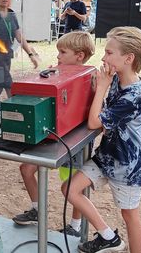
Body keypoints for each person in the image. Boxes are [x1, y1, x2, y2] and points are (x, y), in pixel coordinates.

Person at [62, 26, 141, 253]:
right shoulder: (117, 80)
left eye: (110, 53)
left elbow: (94, 123)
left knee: (129, 215)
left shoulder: (134, 95)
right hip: (107, 156)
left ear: (129, 58)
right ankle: (108, 237)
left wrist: (101, 86)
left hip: (127, 166)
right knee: (69, 189)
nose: (103, 57)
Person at [13, 31, 95, 236]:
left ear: (80, 56)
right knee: (26, 168)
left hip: (75, 140)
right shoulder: (56, 71)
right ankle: (37, 210)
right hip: (51, 135)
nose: (58, 56)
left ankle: (75, 227)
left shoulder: (92, 76)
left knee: (72, 186)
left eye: (63, 52)